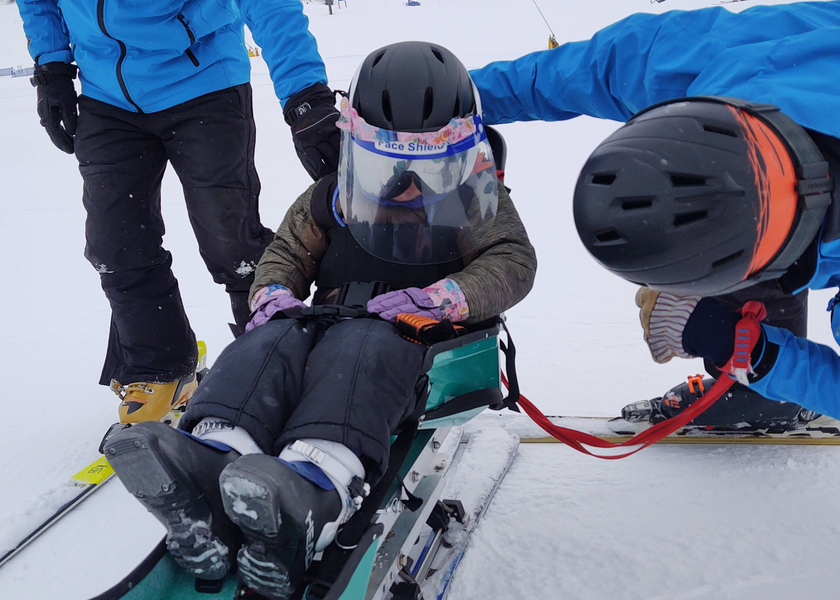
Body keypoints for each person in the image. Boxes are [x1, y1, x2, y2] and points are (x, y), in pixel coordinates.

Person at [104, 41, 537, 599]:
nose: (405, 179)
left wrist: (445, 297)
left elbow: (512, 261)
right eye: (386, 160)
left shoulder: (475, 201)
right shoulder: (329, 199)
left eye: (426, 162)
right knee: (271, 342)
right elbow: (285, 251)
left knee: (359, 349)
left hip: (414, 344)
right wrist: (274, 294)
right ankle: (215, 456)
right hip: (325, 316)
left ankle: (316, 488)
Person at [468, 1, 840, 427]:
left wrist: (747, 348)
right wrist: (461, 98)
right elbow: (595, 66)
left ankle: (761, 393)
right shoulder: (721, 56)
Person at [16, 0, 343, 424]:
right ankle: (160, 366)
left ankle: (271, 364)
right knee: (116, 245)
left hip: (204, 83)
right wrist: (53, 66)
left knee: (232, 243)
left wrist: (306, 96)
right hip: (106, 96)